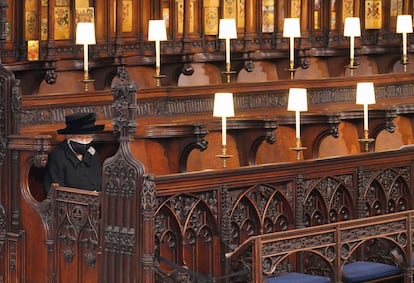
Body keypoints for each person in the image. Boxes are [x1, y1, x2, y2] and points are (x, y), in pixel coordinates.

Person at [43, 112, 105, 193]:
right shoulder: (58, 156)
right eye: (80, 137)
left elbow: (99, 183)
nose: (84, 142)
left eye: (88, 137)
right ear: (69, 137)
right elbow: (54, 192)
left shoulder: (92, 154)